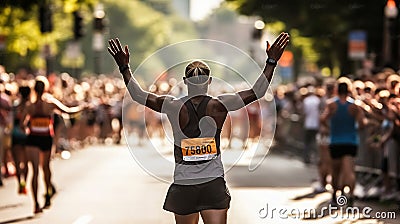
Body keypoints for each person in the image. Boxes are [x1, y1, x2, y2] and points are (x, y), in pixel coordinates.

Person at [108, 33, 289, 224]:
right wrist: (271, 61)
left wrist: (124, 67)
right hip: (213, 182)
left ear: (185, 81)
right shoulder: (219, 105)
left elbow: (138, 95)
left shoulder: (173, 105)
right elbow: (257, 91)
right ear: (209, 81)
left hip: (184, 184)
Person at [21, 76, 85, 214]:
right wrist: (81, 108)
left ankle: (36, 203)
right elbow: (68, 111)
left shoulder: (29, 106)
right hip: (45, 138)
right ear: (45, 88)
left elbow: (22, 124)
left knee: (35, 172)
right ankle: (48, 192)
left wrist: (30, 126)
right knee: (45, 168)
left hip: (32, 138)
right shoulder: (50, 103)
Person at [320, 79, 365, 206]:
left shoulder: (331, 104)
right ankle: (350, 195)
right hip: (351, 141)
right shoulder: (355, 105)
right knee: (349, 170)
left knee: (336, 171)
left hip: (335, 141)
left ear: (336, 89)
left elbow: (323, 119)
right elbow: (362, 123)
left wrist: (329, 128)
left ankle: (335, 195)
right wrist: (355, 127)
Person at [11, 85, 31, 194]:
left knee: (17, 162)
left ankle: (20, 183)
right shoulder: (30, 106)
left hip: (16, 135)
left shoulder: (15, 106)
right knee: (26, 162)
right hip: (27, 135)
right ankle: (25, 183)